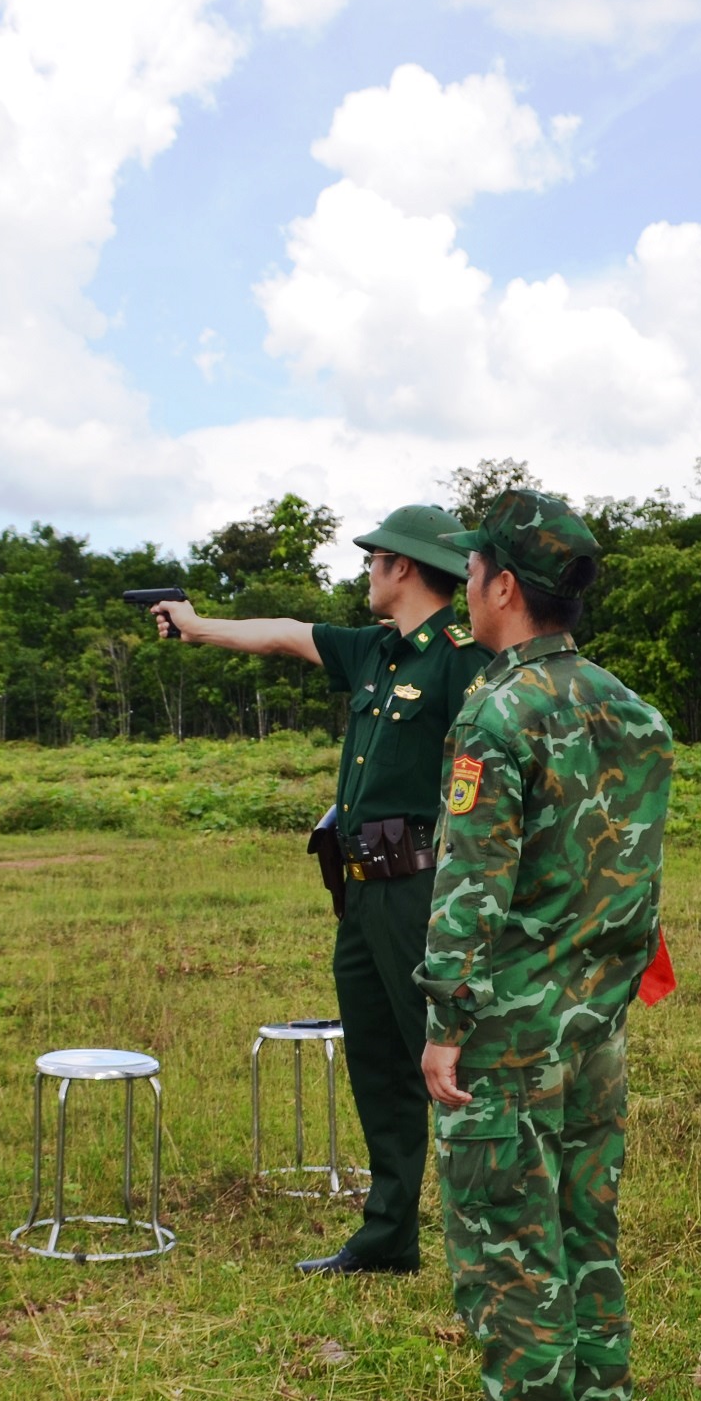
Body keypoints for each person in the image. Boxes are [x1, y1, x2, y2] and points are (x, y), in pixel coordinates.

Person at [148, 505, 492, 1275]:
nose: (366, 573)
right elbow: (282, 633)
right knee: (377, 1065)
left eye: (374, 561)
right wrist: (196, 625)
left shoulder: (461, 659)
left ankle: (494, 1240)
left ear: (401, 567)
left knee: (449, 1065)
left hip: (424, 890)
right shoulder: (373, 650)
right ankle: (388, 1237)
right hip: (362, 890)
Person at [413, 489, 673, 1401]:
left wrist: (446, 1024)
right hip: (593, 1024)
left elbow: (469, 883)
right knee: (581, 1227)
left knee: (506, 1240)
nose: (464, 590)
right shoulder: (629, 711)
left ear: (504, 584)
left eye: (471, 573)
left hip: (512, 1027)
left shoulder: (499, 707)